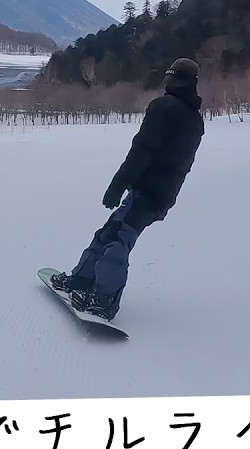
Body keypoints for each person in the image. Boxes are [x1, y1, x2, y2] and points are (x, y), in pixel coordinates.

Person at [51, 57, 206, 320]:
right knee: (110, 232)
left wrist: (117, 185)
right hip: (163, 194)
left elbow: (142, 150)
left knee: (118, 239)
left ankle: (104, 299)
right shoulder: (195, 119)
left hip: (146, 191)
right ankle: (82, 279)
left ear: (172, 78)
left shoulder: (164, 107)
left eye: (169, 76)